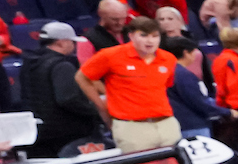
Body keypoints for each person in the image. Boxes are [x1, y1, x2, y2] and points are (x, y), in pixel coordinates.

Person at [75, 15, 180, 152]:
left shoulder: (168, 59)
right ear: (131, 36)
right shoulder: (110, 55)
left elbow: (164, 86)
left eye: (155, 36)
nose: (150, 41)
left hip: (166, 123)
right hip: (131, 127)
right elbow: (82, 77)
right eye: (143, 35)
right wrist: (101, 106)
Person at [23, 23, 104, 155]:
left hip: (41, 134)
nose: (74, 46)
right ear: (62, 43)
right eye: (72, 42)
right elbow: (68, 99)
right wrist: (96, 111)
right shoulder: (63, 66)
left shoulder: (29, 64)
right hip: (67, 135)